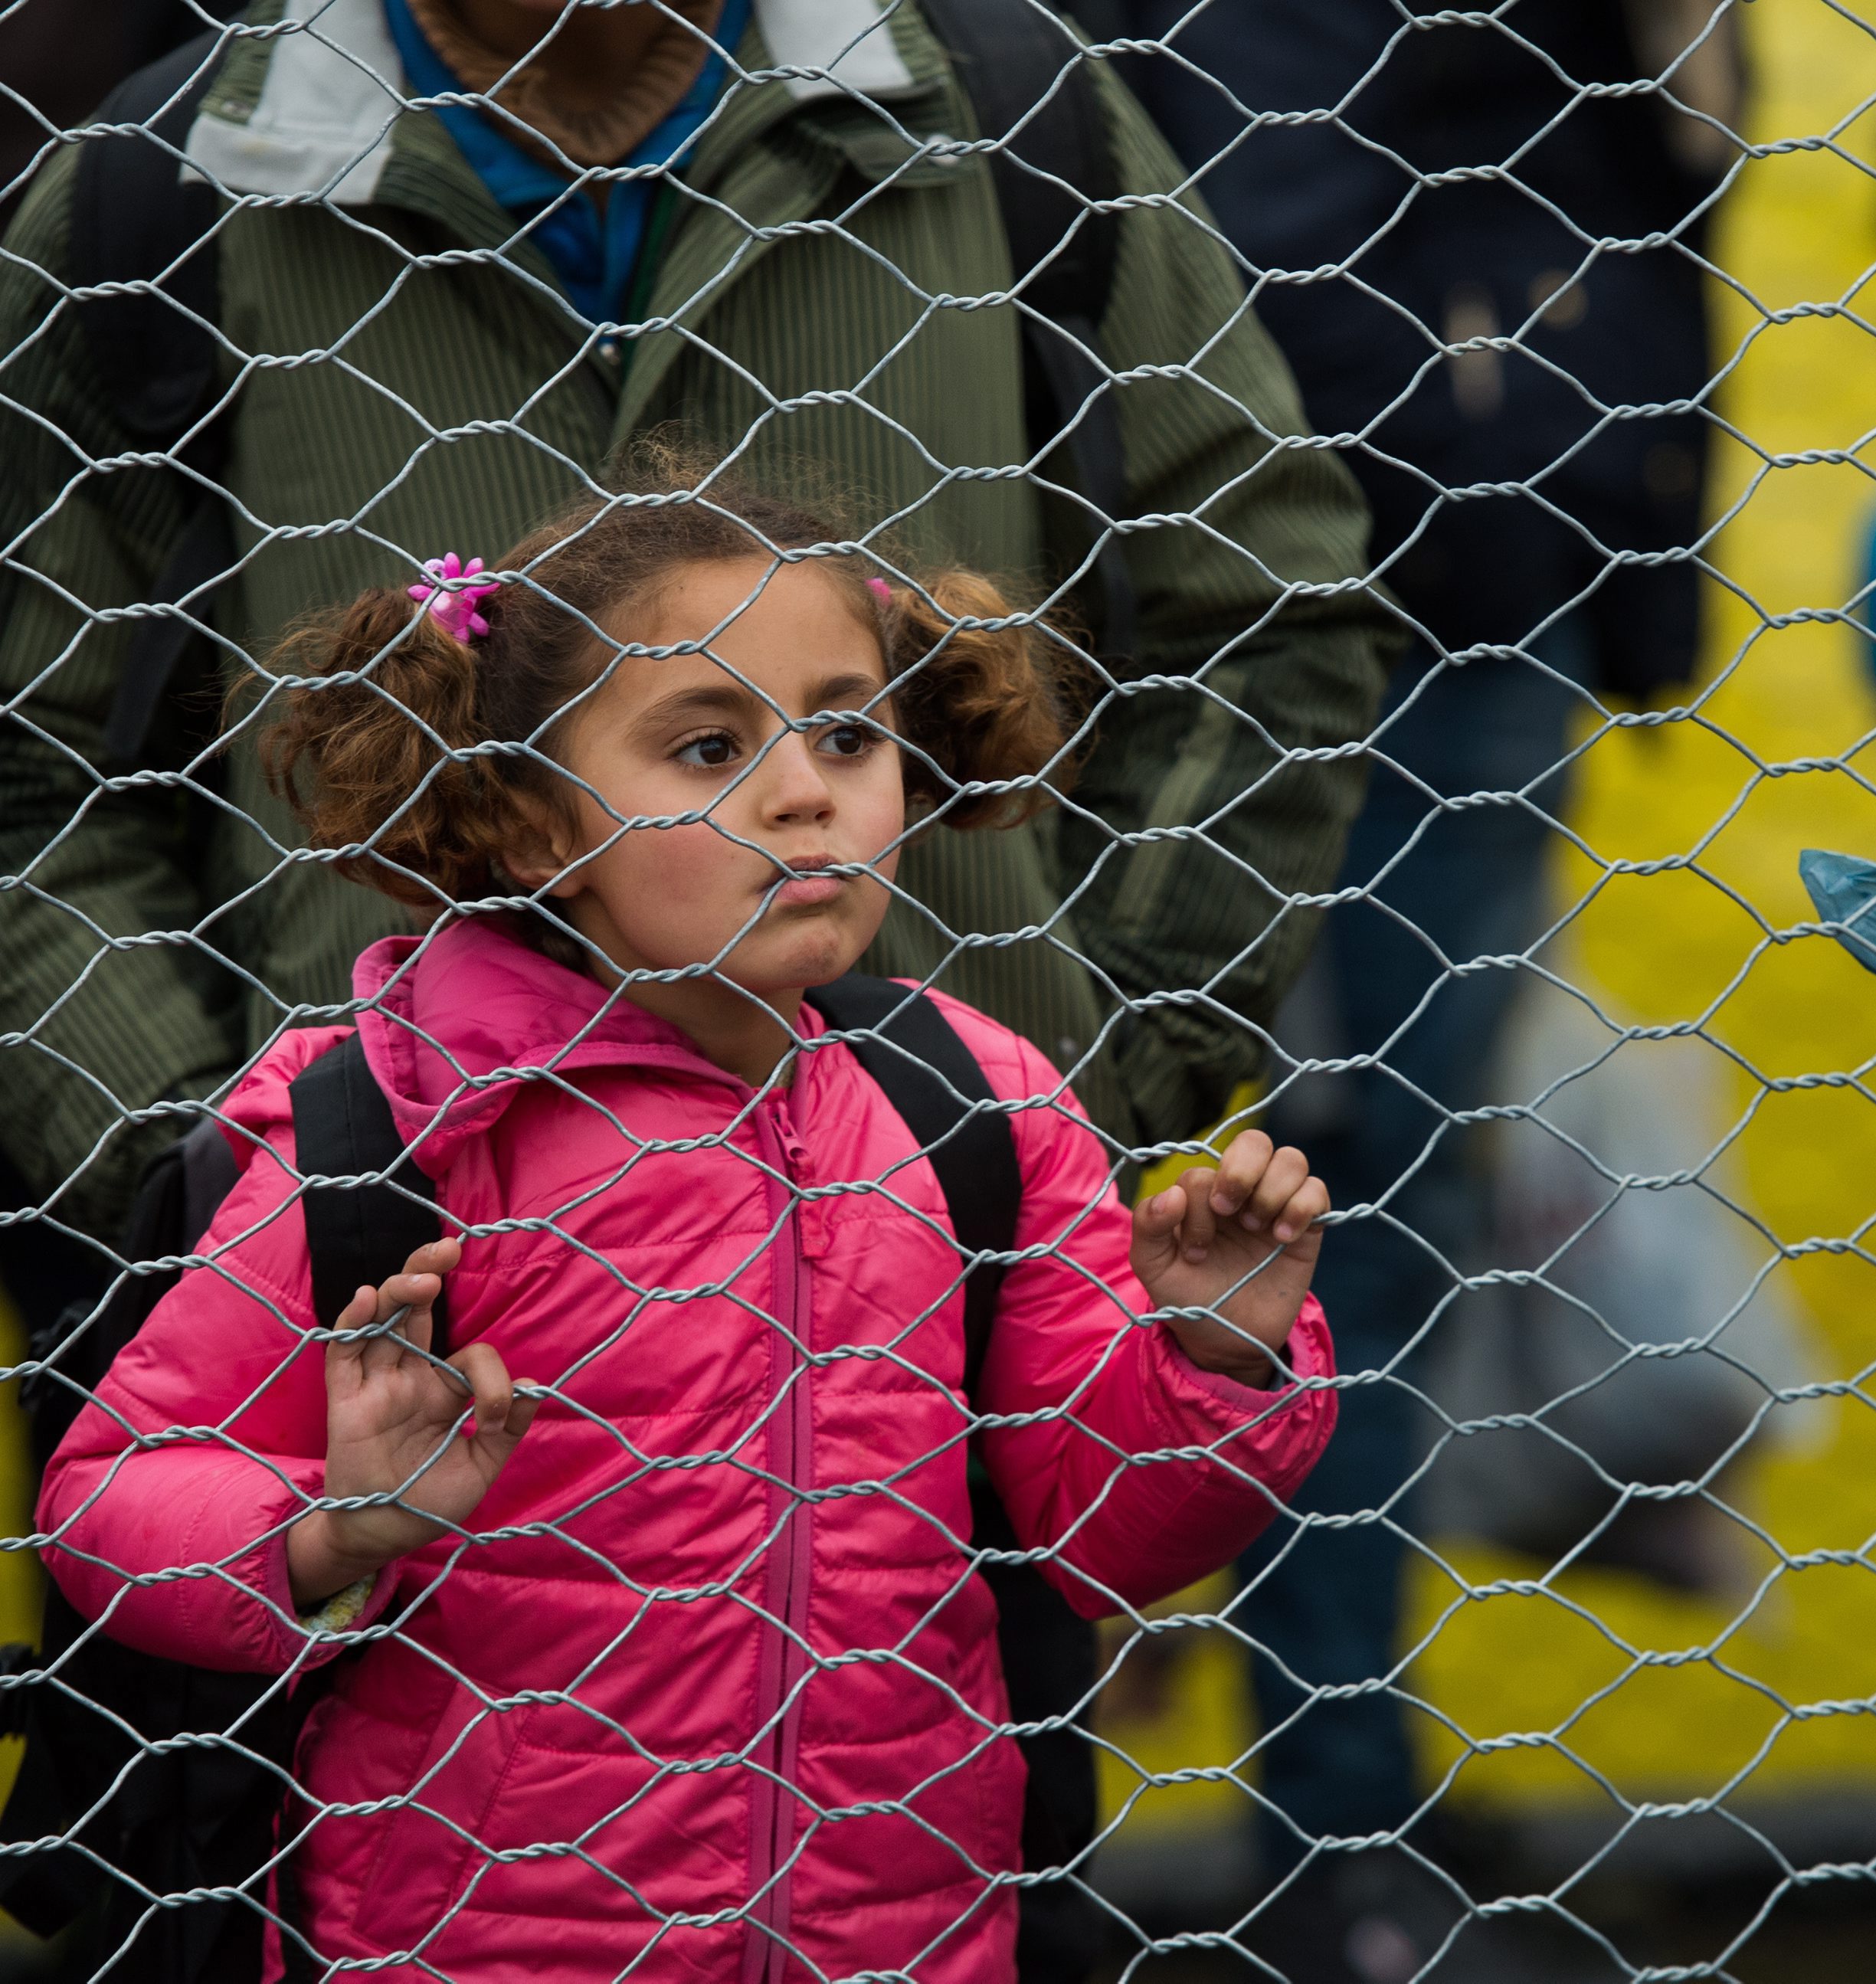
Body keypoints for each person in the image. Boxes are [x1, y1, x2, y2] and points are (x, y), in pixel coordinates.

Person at [34, 463, 1342, 1981]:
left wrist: (1207, 1350)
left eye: (848, 730)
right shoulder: (396, 1119)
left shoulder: (968, 1104)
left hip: (901, 1937)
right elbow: (109, 1495)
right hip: (473, 1940)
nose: (805, 789)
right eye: (710, 744)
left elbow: (1097, 1533)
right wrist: (336, 1526)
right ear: (530, 826)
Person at [0, 0, 1393, 1250]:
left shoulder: (1014, 116)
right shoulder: (157, 195)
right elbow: (26, 769)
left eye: (847, 731)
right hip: (383, 1338)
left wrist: (1090, 1073)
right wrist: (203, 1170)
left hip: (950, 1300)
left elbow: (1265, 618)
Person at [1096, 0, 1724, 1969]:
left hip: (1449, 550)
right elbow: (1271, 180)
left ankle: (1339, 1770)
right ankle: (1325, 1826)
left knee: (1368, 1196)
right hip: (1341, 561)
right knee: (1312, 1199)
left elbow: (1649, 153)